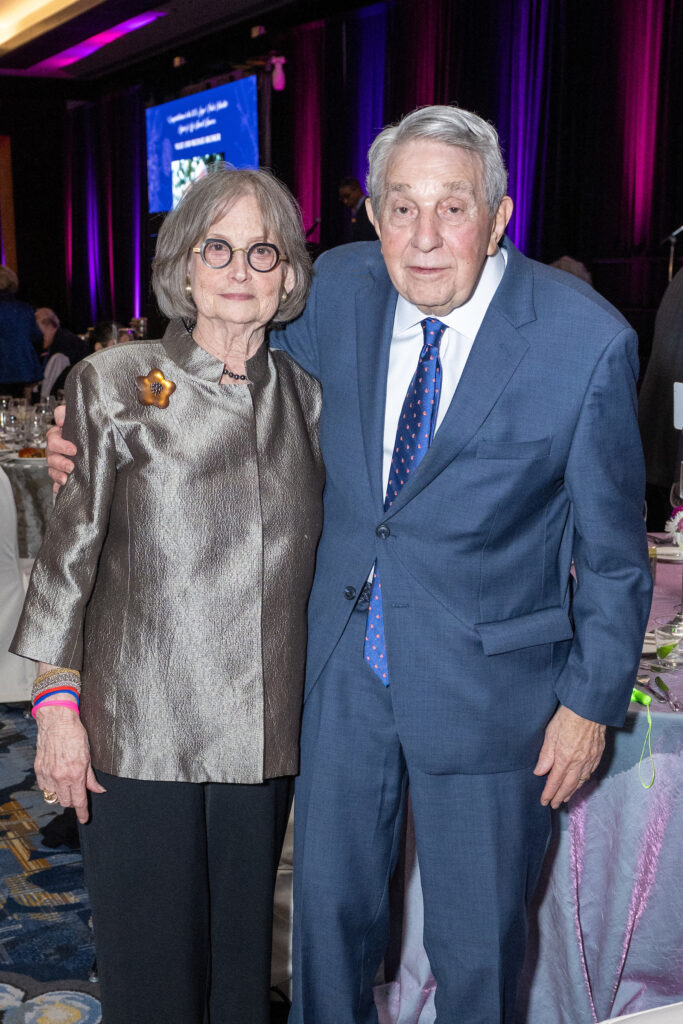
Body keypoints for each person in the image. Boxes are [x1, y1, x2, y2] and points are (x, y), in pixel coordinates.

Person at [47, 106, 652, 1024]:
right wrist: (90, 435)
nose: (423, 237)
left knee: (478, 946)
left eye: (452, 208)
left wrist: (588, 704)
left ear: (499, 215)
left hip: (493, 693)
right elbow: (226, 376)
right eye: (399, 207)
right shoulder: (334, 288)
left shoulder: (583, 340)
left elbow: (612, 556)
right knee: (327, 929)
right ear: (370, 216)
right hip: (337, 679)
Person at [13, 165, 324, 1024]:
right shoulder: (115, 383)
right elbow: (67, 557)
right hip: (135, 728)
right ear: (183, 267)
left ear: (289, 276)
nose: (238, 269)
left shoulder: (308, 399)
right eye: (215, 247)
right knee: (153, 975)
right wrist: (55, 705)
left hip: (261, 736)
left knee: (237, 980)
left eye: (262, 251)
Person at [0, 266, 43, 399]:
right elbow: (37, 337)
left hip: (3, 368)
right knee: (19, 408)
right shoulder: (24, 309)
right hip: (22, 368)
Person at [338, 175, 377, 242]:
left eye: (347, 196)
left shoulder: (370, 207)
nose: (345, 201)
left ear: (357, 189)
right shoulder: (356, 210)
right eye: (342, 198)